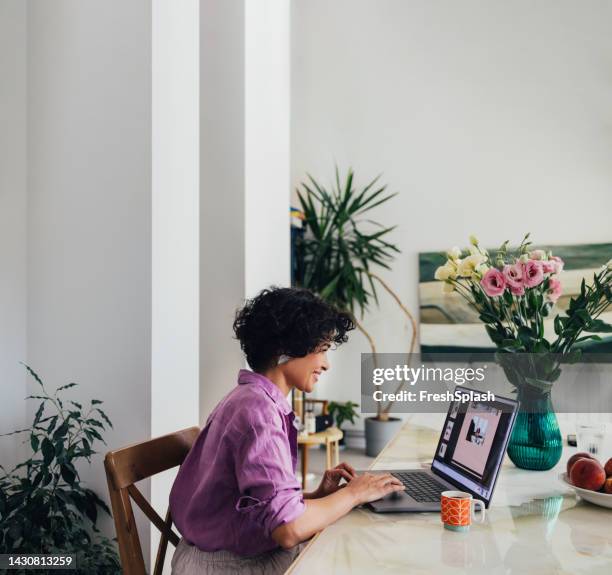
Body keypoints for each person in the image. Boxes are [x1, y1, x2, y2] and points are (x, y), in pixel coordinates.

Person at [169, 287, 404, 574]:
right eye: (323, 350)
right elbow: (288, 529)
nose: (326, 364)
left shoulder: (248, 398)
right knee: (358, 553)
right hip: (225, 565)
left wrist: (317, 496)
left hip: (215, 553)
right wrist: (354, 494)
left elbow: (259, 506)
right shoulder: (259, 414)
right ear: (286, 350)